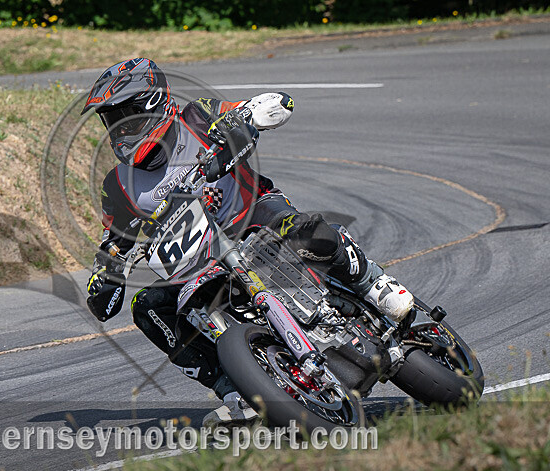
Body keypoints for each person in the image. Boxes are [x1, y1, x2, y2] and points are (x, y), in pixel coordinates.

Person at [81, 58, 413, 426]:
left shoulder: (197, 117)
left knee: (299, 229)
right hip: (199, 255)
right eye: (111, 119)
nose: (119, 129)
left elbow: (273, 104)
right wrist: (106, 274)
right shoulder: (117, 185)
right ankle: (235, 389)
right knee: (149, 306)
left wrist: (246, 119)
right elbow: (114, 241)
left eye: (125, 115)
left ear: (154, 102)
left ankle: (371, 282)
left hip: (252, 213)